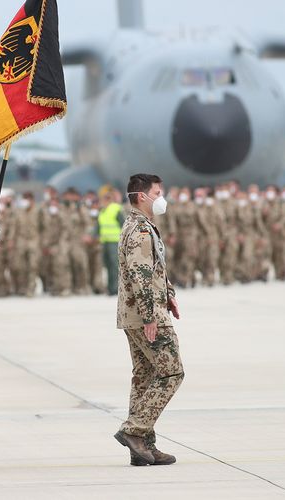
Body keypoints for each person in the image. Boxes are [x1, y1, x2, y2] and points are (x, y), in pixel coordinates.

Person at [114, 174, 184, 467]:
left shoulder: (140, 226)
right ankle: (134, 431)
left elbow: (153, 270)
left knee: (144, 377)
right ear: (142, 196)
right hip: (146, 314)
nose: (161, 196)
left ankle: (143, 447)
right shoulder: (140, 230)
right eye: (157, 192)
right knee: (171, 373)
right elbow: (140, 275)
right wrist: (150, 316)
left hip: (137, 312)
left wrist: (168, 293)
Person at [97, 188, 125, 295]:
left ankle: (115, 288)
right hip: (105, 242)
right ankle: (110, 288)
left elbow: (123, 224)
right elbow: (99, 226)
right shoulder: (103, 211)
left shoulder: (116, 209)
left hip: (115, 242)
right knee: (108, 266)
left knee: (114, 266)